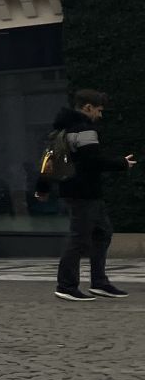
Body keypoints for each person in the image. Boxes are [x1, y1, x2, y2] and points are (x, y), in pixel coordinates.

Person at [44, 88, 136, 302]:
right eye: (98, 110)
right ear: (87, 107)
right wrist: (121, 163)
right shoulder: (84, 129)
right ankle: (67, 286)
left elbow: (54, 159)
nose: (100, 115)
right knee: (79, 238)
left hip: (77, 189)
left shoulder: (64, 128)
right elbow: (92, 161)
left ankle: (99, 283)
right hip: (84, 191)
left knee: (102, 232)